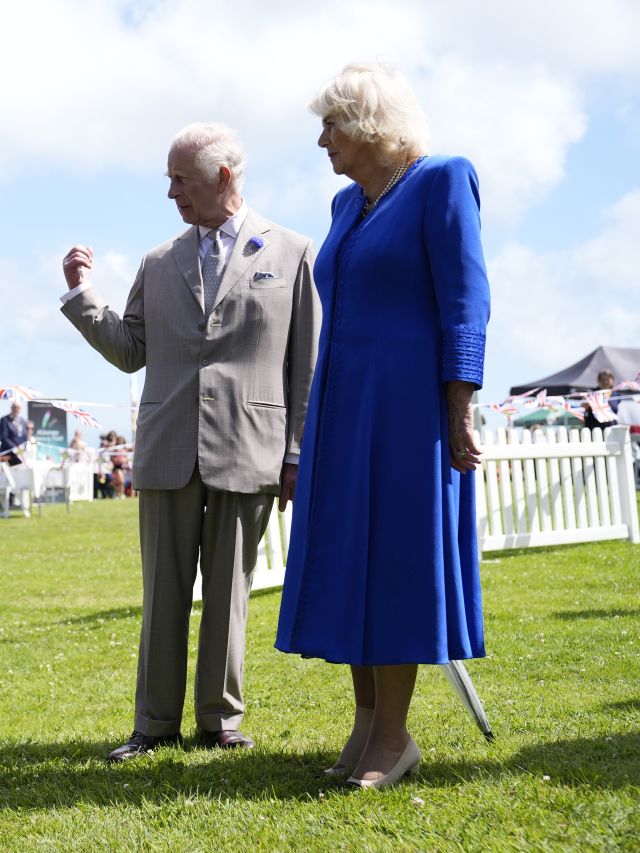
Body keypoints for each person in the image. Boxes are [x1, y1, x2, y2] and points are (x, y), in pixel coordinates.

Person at [61, 122, 320, 760]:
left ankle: (220, 719)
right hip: (168, 448)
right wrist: (81, 294)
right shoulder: (157, 261)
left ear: (223, 177)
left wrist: (296, 454)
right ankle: (153, 724)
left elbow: (305, 363)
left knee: (231, 594)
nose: (171, 192)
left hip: (250, 448)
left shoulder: (293, 251)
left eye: (180, 179)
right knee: (162, 596)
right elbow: (130, 352)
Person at [274, 62, 492, 789]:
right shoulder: (345, 205)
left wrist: (459, 403)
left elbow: (467, 299)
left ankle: (394, 734)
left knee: (395, 560)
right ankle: (367, 725)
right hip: (343, 403)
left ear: (371, 124)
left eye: (330, 124)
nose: (321, 141)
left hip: (408, 410)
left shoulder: (443, 179)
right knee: (350, 563)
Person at [0, 401, 29, 465]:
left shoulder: (23, 421)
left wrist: (22, 449)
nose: (16, 409)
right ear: (11, 408)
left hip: (20, 455)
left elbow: (24, 437)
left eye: (18, 408)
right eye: (14, 407)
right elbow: (4, 437)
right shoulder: (4, 420)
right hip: (8, 454)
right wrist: (15, 448)